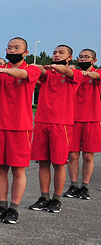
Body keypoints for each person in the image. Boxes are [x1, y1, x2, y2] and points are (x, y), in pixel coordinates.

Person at [0, 38, 41, 224]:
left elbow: (23, 74)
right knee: (0, 169)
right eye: (9, 47)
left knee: (18, 170)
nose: (12, 50)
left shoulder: (31, 69)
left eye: (17, 48)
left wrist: (3, 70)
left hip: (20, 127)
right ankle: (2, 206)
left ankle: (14, 208)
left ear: (25, 52)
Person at [27, 45, 83, 213]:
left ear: (70, 57)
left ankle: (56, 199)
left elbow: (68, 72)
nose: (56, 55)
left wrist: (56, 67)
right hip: (42, 122)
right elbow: (36, 70)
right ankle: (44, 197)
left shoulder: (75, 74)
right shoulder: (47, 74)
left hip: (62, 124)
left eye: (61, 53)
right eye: (55, 53)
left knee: (59, 164)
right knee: (43, 162)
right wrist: (42, 68)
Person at [66, 49, 100, 199]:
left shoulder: (97, 74)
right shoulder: (74, 74)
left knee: (88, 156)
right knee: (72, 156)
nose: (83, 59)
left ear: (94, 60)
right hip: (72, 119)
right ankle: (73, 185)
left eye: (87, 57)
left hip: (91, 119)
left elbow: (95, 75)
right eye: (81, 57)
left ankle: (85, 186)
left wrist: (85, 74)